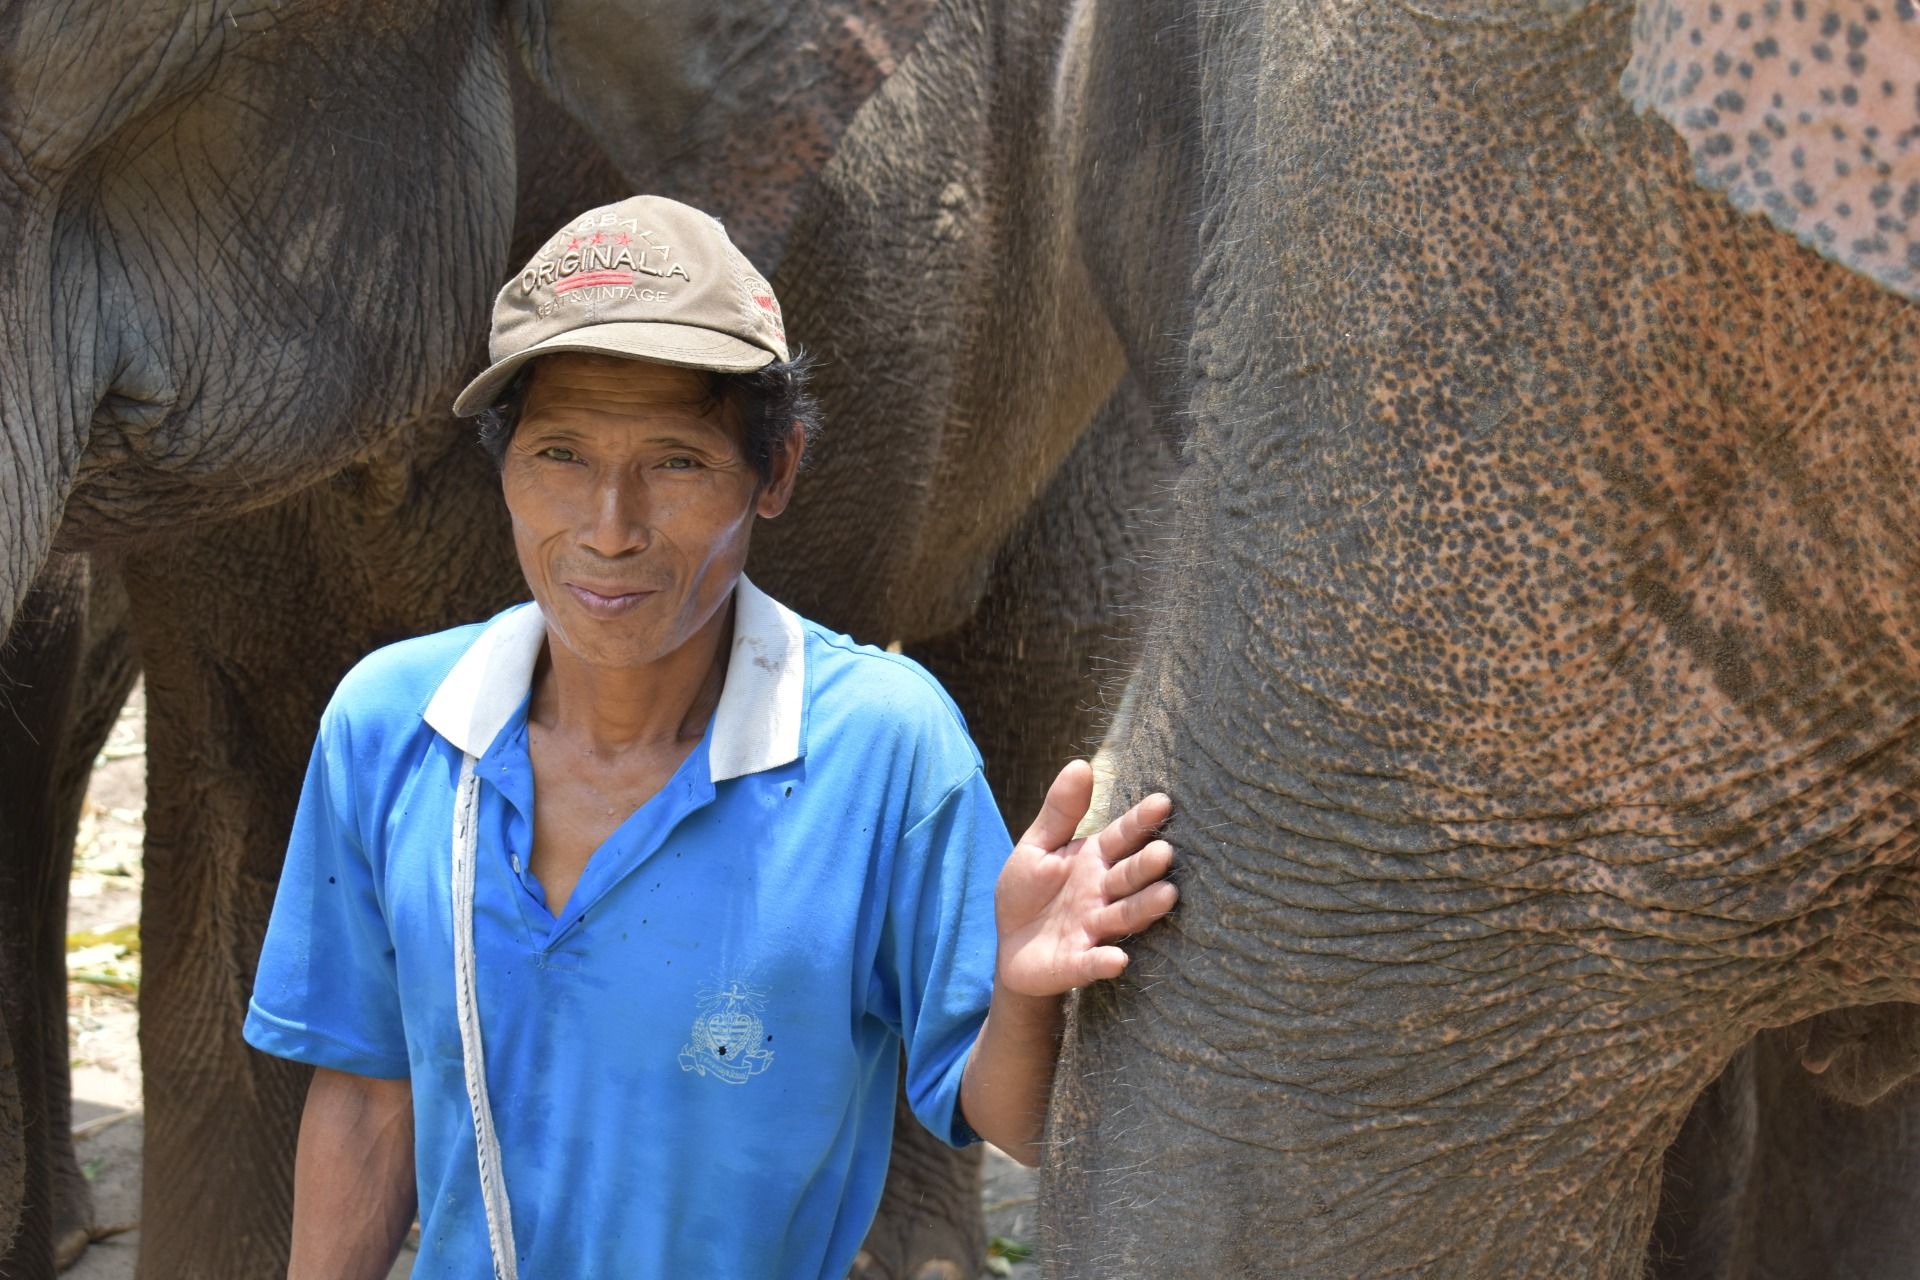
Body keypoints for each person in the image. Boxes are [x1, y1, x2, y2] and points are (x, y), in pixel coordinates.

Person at [242, 194, 1176, 1279]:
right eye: (558, 453)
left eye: (676, 462)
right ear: (501, 468)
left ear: (774, 473)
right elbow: (363, 1094)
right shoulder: (392, 724)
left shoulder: (882, 748)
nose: (608, 525)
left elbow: (1014, 1120)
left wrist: (1021, 986)